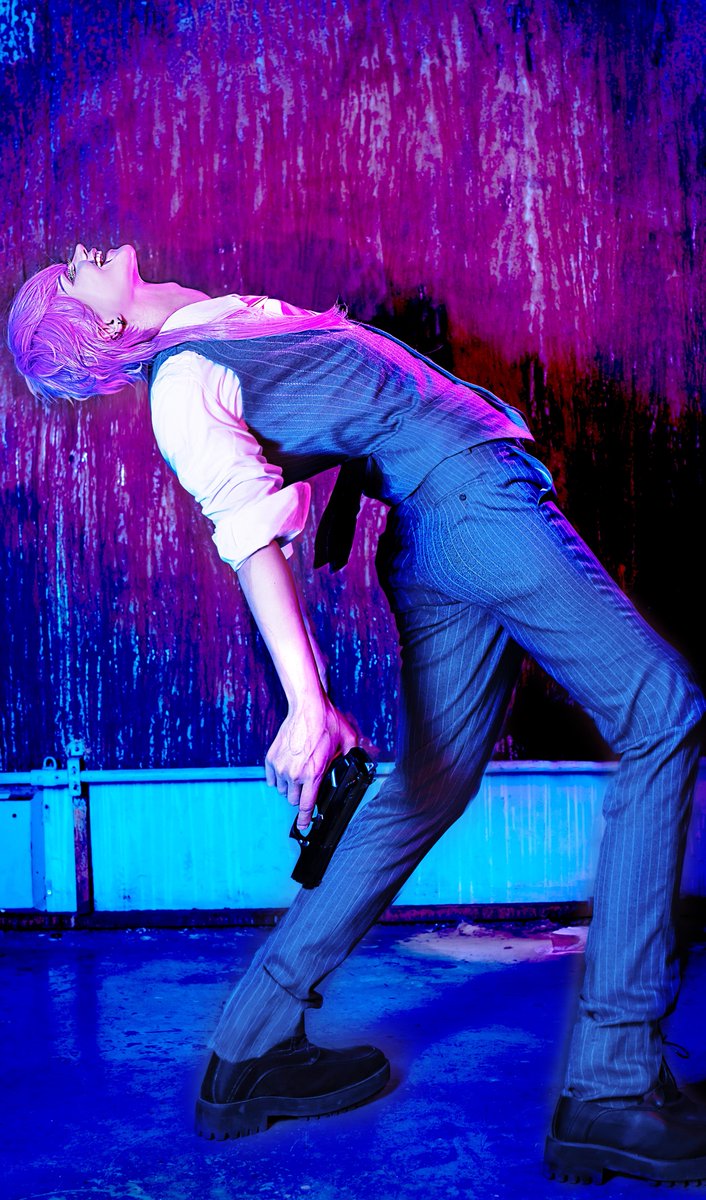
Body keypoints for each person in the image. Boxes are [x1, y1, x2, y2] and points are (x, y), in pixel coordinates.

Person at [8, 241, 706, 1184]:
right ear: (102, 325)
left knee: (426, 788)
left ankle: (251, 1046)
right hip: (474, 507)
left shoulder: (211, 326)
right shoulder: (182, 383)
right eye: (66, 278)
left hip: (441, 524)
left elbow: (320, 418)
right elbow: (246, 531)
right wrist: (308, 701)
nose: (75, 255)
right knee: (664, 710)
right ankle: (615, 1089)